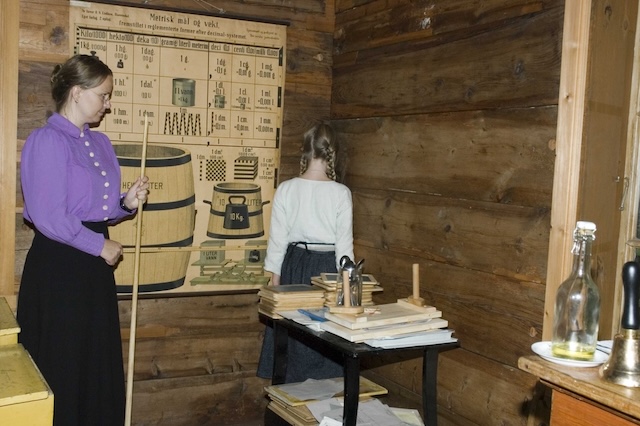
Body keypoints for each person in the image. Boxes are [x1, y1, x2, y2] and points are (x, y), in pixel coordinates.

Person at [17, 54, 149, 426]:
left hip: (92, 270)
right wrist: (99, 246)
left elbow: (98, 210)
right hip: (59, 268)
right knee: (63, 360)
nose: (108, 104)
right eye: (103, 95)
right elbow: (49, 217)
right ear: (76, 93)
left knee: (92, 360)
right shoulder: (45, 141)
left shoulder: (101, 142)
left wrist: (127, 203)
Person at [257, 123, 354, 382]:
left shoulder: (286, 189)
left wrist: (275, 278)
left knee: (292, 334)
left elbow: (277, 239)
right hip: (328, 271)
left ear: (305, 151)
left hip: (293, 266)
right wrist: (348, 290)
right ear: (333, 153)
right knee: (324, 337)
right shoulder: (341, 193)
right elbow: (344, 248)